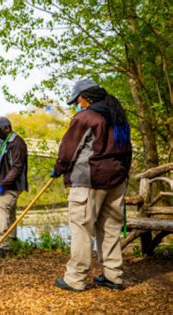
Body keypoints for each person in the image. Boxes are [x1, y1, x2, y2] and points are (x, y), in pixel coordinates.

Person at [52, 79, 132, 292]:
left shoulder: (86, 117)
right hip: (116, 180)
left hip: (89, 180)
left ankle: (75, 279)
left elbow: (68, 150)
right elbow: (127, 151)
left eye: (77, 101)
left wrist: (59, 168)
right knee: (110, 229)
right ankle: (113, 276)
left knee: (81, 228)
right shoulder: (118, 117)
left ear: (85, 97)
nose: (76, 105)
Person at [0, 116, 28, 257]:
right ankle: (12, 239)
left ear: (7, 128)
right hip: (6, 183)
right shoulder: (3, 142)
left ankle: (2, 246)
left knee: (0, 207)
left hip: (12, 185)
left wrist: (3, 185)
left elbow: (17, 167)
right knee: (9, 211)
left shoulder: (17, 143)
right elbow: (0, 161)